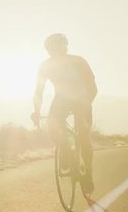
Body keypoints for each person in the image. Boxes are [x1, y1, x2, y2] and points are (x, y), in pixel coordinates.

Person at [31, 33, 98, 194]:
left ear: (65, 47)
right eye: (50, 49)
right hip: (61, 99)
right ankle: (65, 149)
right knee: (53, 127)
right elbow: (39, 91)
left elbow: (92, 87)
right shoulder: (45, 65)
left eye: (56, 48)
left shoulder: (78, 61)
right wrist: (37, 111)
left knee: (83, 135)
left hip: (82, 98)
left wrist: (86, 105)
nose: (52, 52)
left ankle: (87, 171)